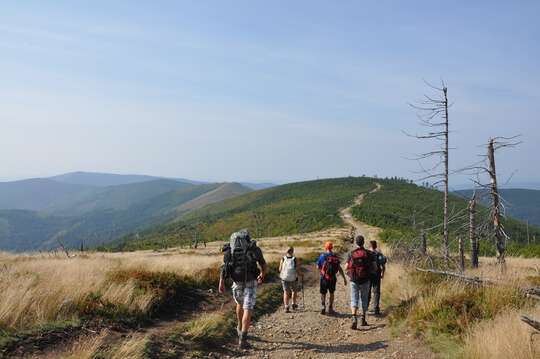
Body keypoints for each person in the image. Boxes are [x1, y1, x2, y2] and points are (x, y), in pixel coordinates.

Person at [219, 229, 268, 349]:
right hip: (251, 281)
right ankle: (243, 339)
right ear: (247, 238)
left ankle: (240, 327)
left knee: (240, 305)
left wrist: (221, 282)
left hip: (236, 282)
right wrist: (262, 274)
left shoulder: (230, 250)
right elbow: (263, 265)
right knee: (248, 308)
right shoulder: (254, 249)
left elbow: (224, 267)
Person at [346, 235, 376, 329]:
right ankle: (363, 319)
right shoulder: (369, 253)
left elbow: (346, 267)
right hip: (365, 280)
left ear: (356, 242)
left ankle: (354, 317)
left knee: (354, 299)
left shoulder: (351, 253)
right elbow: (375, 267)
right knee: (364, 299)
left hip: (354, 279)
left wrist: (349, 274)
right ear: (363, 242)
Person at [316, 241, 347, 315]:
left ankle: (323, 306)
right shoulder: (335, 256)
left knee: (323, 293)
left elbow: (317, 266)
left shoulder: (322, 256)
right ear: (332, 247)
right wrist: (344, 278)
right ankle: (330, 308)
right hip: (332, 278)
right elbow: (339, 268)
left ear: (325, 247)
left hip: (324, 278)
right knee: (332, 293)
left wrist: (322, 272)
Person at [279, 247, 301, 312]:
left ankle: (286, 306)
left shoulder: (283, 258)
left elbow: (279, 269)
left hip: (284, 278)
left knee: (286, 292)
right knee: (294, 291)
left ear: (286, 251)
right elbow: (297, 269)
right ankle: (293, 304)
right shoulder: (294, 259)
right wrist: (300, 275)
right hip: (293, 278)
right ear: (292, 251)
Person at [368, 240, 386, 315]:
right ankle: (376, 308)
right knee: (376, 292)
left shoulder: (367, 254)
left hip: (368, 275)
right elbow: (383, 266)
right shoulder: (379, 254)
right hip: (377, 274)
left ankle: (365, 307)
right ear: (376, 246)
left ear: (370, 246)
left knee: (367, 291)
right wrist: (383, 274)